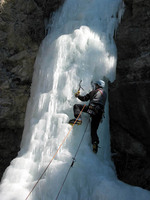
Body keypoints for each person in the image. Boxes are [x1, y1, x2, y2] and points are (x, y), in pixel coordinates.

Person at [69, 80, 107, 153]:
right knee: (94, 130)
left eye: (96, 85)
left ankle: (78, 119)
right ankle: (95, 143)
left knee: (77, 106)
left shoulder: (94, 92)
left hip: (92, 109)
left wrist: (77, 96)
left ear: (98, 85)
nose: (95, 86)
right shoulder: (105, 94)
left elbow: (84, 98)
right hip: (99, 114)